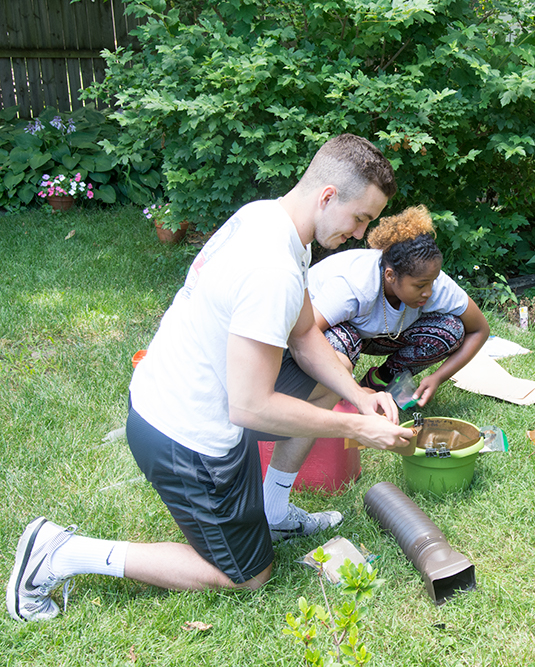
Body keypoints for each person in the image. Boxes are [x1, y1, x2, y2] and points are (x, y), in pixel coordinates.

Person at [7, 134, 415, 622]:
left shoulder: (274, 220)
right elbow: (250, 408)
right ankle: (58, 553)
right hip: (184, 435)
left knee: (336, 375)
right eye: (361, 218)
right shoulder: (271, 269)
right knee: (247, 576)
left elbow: (306, 336)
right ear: (328, 196)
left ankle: (275, 512)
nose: (362, 232)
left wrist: (359, 397)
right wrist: (357, 428)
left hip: (189, 398)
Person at [309, 205, 490, 407]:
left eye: (432, 282)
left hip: (379, 336)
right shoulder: (352, 286)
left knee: (451, 330)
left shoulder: (431, 281)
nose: (429, 292)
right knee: (341, 338)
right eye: (420, 285)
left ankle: (380, 380)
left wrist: (438, 377)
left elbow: (479, 330)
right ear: (390, 275)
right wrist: (354, 392)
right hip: (338, 333)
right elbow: (305, 333)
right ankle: (340, 395)